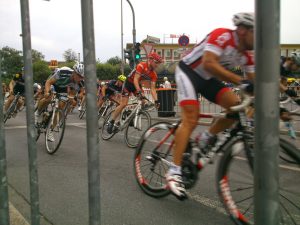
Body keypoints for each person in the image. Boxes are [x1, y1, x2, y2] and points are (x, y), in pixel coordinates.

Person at [166, 12, 255, 200]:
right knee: (191, 118)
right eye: (257, 33)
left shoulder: (248, 56)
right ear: (243, 30)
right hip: (189, 72)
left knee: (236, 108)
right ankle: (173, 172)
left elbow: (255, 85)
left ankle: (207, 137)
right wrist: (239, 80)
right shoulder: (222, 36)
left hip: (208, 79)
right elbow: (208, 63)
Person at [106, 52, 162, 134]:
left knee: (143, 101)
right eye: (156, 62)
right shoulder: (141, 65)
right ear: (150, 60)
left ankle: (132, 115)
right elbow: (136, 79)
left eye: (158, 63)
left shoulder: (154, 74)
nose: (157, 65)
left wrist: (156, 100)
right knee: (124, 104)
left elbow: (152, 89)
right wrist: (139, 91)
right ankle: (111, 121)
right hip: (128, 84)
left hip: (136, 85)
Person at [35, 62, 85, 141]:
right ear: (74, 72)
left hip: (63, 89)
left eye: (82, 77)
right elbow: (49, 82)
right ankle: (37, 112)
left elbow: (79, 92)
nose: (80, 78)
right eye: (78, 76)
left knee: (62, 106)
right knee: (49, 97)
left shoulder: (80, 82)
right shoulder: (63, 73)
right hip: (54, 84)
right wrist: (47, 92)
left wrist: (75, 97)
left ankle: (50, 130)